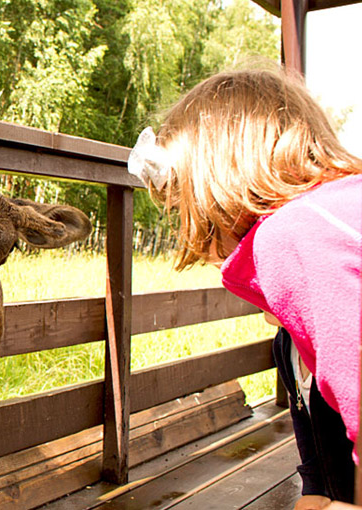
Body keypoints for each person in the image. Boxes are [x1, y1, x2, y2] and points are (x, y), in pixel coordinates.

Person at [128, 66, 361, 510]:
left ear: (222, 176)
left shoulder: (296, 233)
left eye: (185, 200)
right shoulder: (333, 213)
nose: (187, 224)